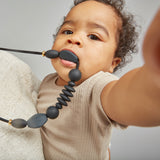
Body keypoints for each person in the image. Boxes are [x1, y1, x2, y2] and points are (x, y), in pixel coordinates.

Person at [36, 0, 160, 159]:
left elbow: (131, 95)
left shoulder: (98, 87)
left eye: (93, 36)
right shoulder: (48, 81)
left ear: (113, 63)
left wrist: (154, 72)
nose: (75, 38)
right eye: (67, 31)